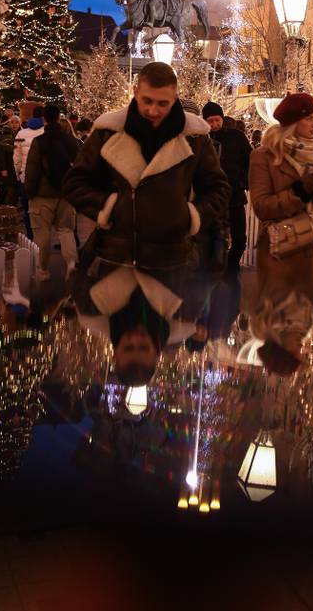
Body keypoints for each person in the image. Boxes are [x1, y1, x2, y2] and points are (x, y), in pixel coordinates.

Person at [62, 62, 230, 386]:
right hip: (113, 258)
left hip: (172, 260)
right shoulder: (109, 131)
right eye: (147, 101)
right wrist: (107, 207)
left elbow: (219, 188)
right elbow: (75, 182)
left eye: (163, 103)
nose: (154, 110)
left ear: (175, 98)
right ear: (136, 93)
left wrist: (191, 216)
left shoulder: (194, 138)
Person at [247, 92, 313, 376]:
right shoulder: (263, 157)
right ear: (293, 122)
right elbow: (262, 206)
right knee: (283, 307)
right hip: (280, 254)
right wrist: (299, 193)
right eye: (309, 118)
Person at [25, 103, 80, 281]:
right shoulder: (71, 141)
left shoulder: (39, 141)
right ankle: (71, 265)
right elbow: (79, 168)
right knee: (66, 231)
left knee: (42, 233)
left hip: (42, 195)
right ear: (58, 117)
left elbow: (32, 169)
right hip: (65, 195)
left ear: (44, 119)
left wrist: (29, 192)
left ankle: (43, 271)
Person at [202, 101, 252, 295]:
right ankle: (215, 273)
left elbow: (250, 160)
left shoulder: (236, 137)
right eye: (210, 121)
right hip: (212, 199)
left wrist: (243, 181)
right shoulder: (203, 140)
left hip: (235, 196)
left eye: (217, 120)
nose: (214, 124)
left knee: (240, 239)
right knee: (215, 239)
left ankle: (231, 268)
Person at [14, 105, 45, 238]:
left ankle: (30, 236)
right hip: (43, 177)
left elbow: (17, 157)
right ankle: (42, 236)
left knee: (28, 209)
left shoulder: (21, 134)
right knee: (43, 210)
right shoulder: (46, 132)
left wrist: (18, 173)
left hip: (25, 177)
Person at [0, 114, 20, 205]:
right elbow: (1, 154)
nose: (14, 125)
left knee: (15, 188)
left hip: (17, 166)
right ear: (9, 124)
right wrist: (3, 168)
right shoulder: (5, 135)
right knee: (8, 188)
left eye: (16, 122)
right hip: (8, 166)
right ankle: (5, 207)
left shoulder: (21, 135)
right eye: (12, 122)